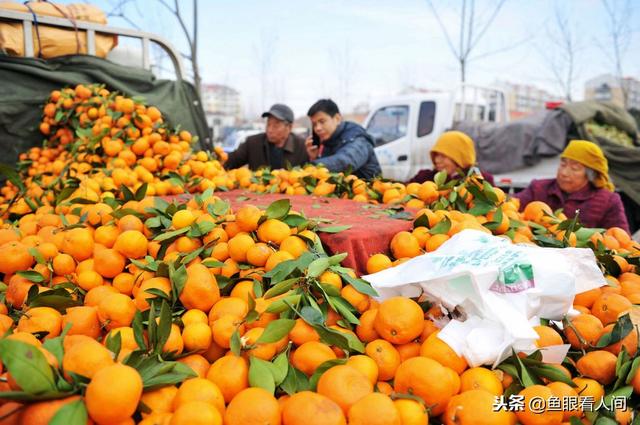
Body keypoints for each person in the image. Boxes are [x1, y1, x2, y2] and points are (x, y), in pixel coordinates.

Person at [515, 140, 629, 231]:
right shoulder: (538, 188)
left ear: (590, 174)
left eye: (575, 168)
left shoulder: (608, 201)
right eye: (563, 164)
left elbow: (621, 239)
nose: (564, 173)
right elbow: (511, 207)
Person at [305, 99, 381, 179]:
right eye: (314, 124)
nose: (317, 128)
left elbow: (345, 162)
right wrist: (314, 157)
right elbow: (327, 175)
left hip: (368, 188)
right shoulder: (328, 141)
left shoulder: (357, 137)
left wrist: (311, 166)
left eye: (322, 121)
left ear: (337, 118)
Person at [224, 104, 308, 170]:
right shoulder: (252, 143)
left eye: (275, 126)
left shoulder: (302, 147)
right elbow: (230, 161)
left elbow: (311, 172)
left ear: (289, 127)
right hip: (257, 191)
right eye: (268, 124)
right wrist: (218, 157)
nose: (269, 130)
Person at [407, 131, 494, 185]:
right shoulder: (425, 178)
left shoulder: (481, 181)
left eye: (443, 156)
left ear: (460, 157)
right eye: (436, 155)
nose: (437, 160)